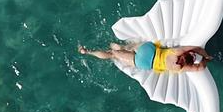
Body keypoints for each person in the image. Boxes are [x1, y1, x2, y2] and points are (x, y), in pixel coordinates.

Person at [78, 42, 212, 72]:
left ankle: (123, 47)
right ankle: (87, 52)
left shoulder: (177, 51)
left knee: (129, 47)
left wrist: (206, 55)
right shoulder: (180, 68)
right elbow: (200, 68)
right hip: (145, 63)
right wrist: (206, 61)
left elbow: (197, 48)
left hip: (149, 50)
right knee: (112, 55)